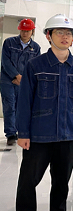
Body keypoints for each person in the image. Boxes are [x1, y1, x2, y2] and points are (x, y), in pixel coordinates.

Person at [14, 14, 73, 211]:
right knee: (28, 181)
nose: (65, 37)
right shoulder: (35, 65)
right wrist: (23, 133)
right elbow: (24, 101)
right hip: (40, 134)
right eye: (59, 32)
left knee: (62, 180)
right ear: (48, 36)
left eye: (69, 33)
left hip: (68, 134)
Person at [0, 18, 41, 146]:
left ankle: (18, 130)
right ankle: (10, 134)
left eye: (27, 31)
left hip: (24, 81)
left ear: (32, 31)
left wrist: (24, 79)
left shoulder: (36, 48)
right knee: (9, 105)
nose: (25, 33)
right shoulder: (9, 43)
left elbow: (35, 66)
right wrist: (16, 75)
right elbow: (5, 62)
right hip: (7, 79)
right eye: (23, 30)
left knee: (20, 107)